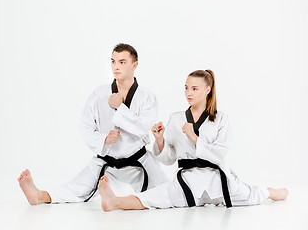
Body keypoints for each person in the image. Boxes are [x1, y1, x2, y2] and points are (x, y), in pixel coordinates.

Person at [98, 69, 289, 211]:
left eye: (194, 88)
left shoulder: (221, 118)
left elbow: (220, 153)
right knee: (157, 197)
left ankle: (274, 192)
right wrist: (160, 140)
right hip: (189, 179)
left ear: (207, 90)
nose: (188, 92)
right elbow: (170, 158)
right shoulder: (176, 118)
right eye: (186, 88)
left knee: (252, 194)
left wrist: (194, 138)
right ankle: (114, 201)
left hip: (217, 178)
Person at [17, 43, 167, 205]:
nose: (116, 67)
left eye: (122, 62)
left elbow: (143, 127)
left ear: (134, 65)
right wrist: (104, 139)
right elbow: (85, 126)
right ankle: (38, 195)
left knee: (165, 192)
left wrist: (120, 108)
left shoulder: (146, 96)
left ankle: (116, 200)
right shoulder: (99, 94)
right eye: (113, 61)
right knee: (75, 187)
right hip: (107, 161)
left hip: (139, 162)